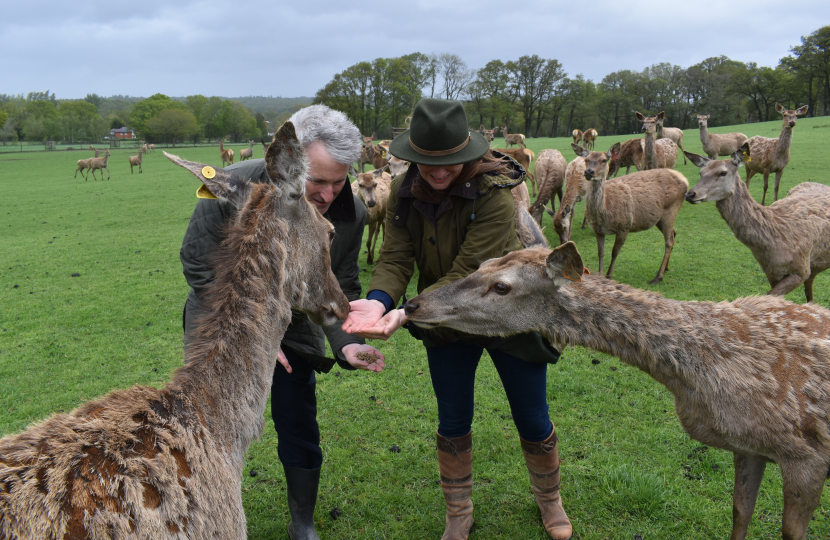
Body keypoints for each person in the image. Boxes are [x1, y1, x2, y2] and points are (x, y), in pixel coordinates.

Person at [342, 98, 572, 540]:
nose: (439, 172)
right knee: (453, 419)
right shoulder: (403, 196)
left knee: (532, 415)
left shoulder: (495, 196)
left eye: (449, 162)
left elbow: (468, 271)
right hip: (444, 322)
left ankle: (550, 501)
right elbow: (395, 255)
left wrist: (406, 313)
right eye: (428, 163)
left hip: (507, 318)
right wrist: (377, 299)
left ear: (467, 155)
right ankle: (458, 512)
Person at [180, 104, 386, 540]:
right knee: (213, 423)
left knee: (298, 419)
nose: (329, 194)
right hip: (228, 320)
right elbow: (198, 264)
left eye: (339, 181)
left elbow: (339, 287)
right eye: (318, 181)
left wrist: (345, 342)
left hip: (294, 325)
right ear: (291, 165)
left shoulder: (351, 214)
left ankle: (303, 523)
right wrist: (252, 332)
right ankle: (206, 508)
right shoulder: (234, 185)